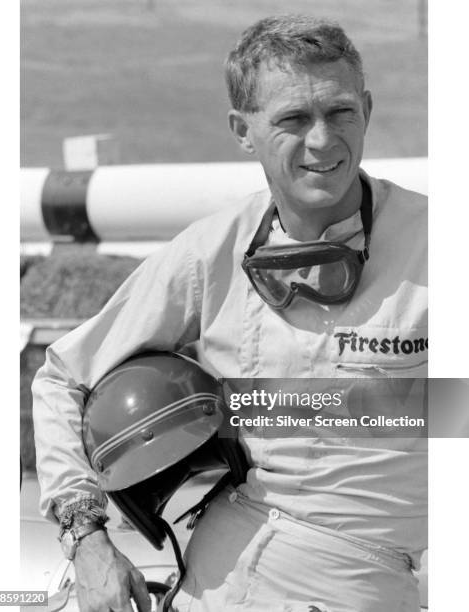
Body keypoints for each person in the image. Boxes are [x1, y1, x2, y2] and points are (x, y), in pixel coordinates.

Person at [32, 14, 427, 612]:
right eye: (293, 119)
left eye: (340, 111)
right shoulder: (210, 250)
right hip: (209, 582)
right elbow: (63, 377)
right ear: (242, 131)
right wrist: (87, 540)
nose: (322, 141)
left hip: (359, 585)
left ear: (368, 109)